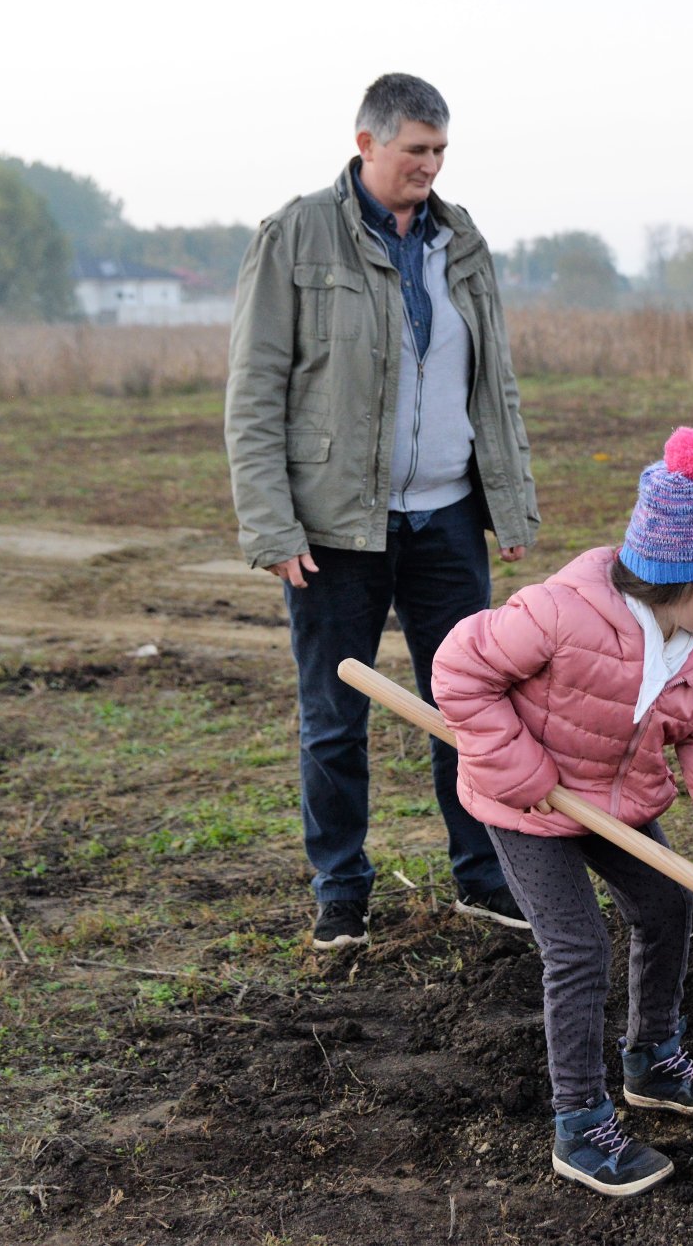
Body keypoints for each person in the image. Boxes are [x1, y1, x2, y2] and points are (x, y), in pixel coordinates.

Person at [432, 427, 693, 1198]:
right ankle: (579, 1124)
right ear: (678, 576)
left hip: (617, 801)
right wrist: (520, 767)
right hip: (524, 802)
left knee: (667, 907)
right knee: (576, 949)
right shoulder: (559, 613)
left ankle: (654, 1060)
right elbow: (458, 670)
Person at [224, 73, 540, 950]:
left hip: (445, 519)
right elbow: (253, 394)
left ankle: (483, 876)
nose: (429, 168)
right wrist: (272, 527)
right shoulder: (294, 236)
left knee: (471, 708)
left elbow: (495, 383)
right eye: (414, 152)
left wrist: (508, 503)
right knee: (334, 717)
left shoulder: (461, 239)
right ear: (366, 145)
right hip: (336, 530)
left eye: (440, 152)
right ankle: (341, 889)